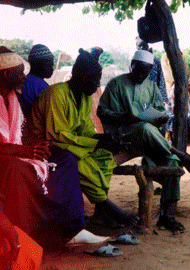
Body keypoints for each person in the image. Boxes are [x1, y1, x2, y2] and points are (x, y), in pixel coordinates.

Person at [0, 47, 111, 250]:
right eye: (20, 73)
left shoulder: (11, 98)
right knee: (16, 169)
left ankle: (73, 229)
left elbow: (23, 131)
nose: (25, 78)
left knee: (65, 158)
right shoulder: (54, 94)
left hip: (17, 151)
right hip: (7, 157)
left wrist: (36, 145)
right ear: (7, 74)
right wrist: (24, 151)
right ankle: (29, 234)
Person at [97, 50, 190, 233]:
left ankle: (167, 216)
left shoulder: (151, 86)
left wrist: (160, 118)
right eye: (138, 70)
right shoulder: (116, 84)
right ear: (132, 65)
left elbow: (160, 109)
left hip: (148, 136)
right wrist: (125, 117)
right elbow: (102, 112)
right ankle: (179, 152)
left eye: (145, 72)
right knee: (145, 128)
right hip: (124, 134)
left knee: (172, 163)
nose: (141, 75)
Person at [31, 48, 136, 229]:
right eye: (94, 80)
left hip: (71, 144)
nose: (97, 85)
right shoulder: (56, 94)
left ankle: (100, 213)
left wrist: (105, 138)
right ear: (80, 77)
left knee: (104, 156)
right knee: (79, 162)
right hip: (47, 146)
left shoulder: (85, 99)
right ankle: (105, 204)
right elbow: (58, 135)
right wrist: (96, 142)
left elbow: (85, 130)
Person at [17, 44, 54, 119]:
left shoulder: (25, 81)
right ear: (36, 65)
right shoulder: (41, 87)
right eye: (49, 65)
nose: (52, 69)